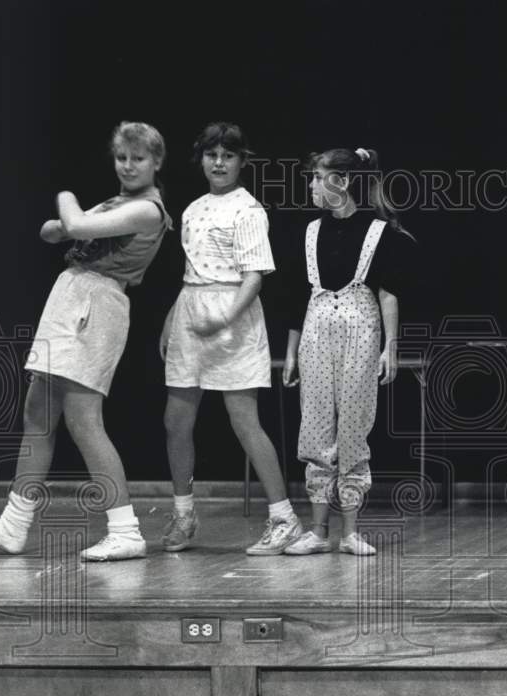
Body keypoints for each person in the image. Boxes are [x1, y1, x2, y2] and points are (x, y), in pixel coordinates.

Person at [0, 121, 172, 561]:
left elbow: (72, 223)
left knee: (84, 418)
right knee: (38, 413)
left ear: (156, 162)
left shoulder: (149, 209)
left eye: (138, 158)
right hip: (72, 295)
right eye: (121, 157)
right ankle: (14, 524)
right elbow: (52, 231)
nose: (128, 165)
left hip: (96, 304)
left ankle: (125, 530)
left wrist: (66, 199)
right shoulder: (116, 202)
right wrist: (72, 221)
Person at [160, 122, 302, 555]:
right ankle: (184, 515)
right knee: (175, 421)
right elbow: (192, 271)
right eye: (211, 155)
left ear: (242, 161)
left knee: (244, 421)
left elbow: (254, 277)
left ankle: (284, 519)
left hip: (233, 317)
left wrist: (224, 319)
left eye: (227, 155)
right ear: (201, 159)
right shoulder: (192, 208)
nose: (218, 163)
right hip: (191, 312)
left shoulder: (249, 210)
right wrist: (172, 318)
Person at [280, 147, 413, 557]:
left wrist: (390, 347)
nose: (313, 186)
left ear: (343, 181)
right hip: (318, 331)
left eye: (319, 178)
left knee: (353, 427)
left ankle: (350, 531)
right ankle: (318, 530)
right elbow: (297, 297)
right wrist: (291, 351)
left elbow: (389, 292)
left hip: (361, 328)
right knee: (316, 425)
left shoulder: (379, 231)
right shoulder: (310, 232)